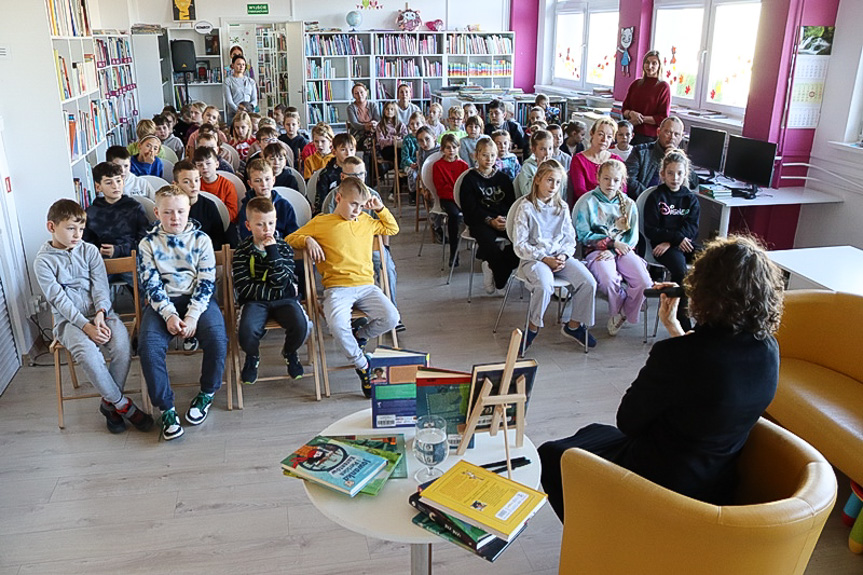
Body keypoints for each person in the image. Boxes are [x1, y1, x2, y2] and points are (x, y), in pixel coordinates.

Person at [538, 234, 785, 520]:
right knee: (592, 433)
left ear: (703, 289)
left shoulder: (677, 355)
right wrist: (675, 328)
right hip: (715, 482)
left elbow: (629, 422)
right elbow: (712, 377)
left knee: (553, 455)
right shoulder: (769, 350)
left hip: (660, 483)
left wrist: (675, 343)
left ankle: (599, 530)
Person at [35, 199, 153, 434]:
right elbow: (59, 300)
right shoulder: (43, 262)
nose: (77, 234)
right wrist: (85, 326)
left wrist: (100, 313)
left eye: (80, 228)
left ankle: (108, 406)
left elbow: (100, 287)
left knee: (121, 346)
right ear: (51, 227)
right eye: (70, 228)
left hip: (102, 314)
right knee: (88, 353)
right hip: (69, 322)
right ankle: (122, 404)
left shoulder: (89, 250)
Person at [286, 177, 400, 397]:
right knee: (337, 326)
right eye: (352, 204)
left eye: (360, 205)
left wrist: (381, 208)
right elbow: (291, 238)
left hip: (367, 286)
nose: (357, 210)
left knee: (392, 317)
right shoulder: (322, 221)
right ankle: (362, 365)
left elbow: (392, 229)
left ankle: (360, 334)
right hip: (338, 288)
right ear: (339, 198)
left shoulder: (367, 221)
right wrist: (308, 240)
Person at [137, 185, 229, 441]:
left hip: (197, 300)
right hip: (162, 303)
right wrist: (168, 314)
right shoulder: (147, 244)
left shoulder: (202, 240)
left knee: (218, 338)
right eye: (167, 212)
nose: (175, 218)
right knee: (148, 346)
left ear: (189, 210)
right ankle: (166, 408)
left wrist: (192, 316)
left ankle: (207, 393)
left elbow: (207, 282)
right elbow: (151, 283)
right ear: (157, 212)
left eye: (180, 211)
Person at [513, 160, 596, 352]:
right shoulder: (526, 207)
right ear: (537, 180)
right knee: (544, 285)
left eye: (558, 182)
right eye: (549, 180)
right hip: (534, 258)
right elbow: (520, 244)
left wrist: (564, 256)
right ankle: (532, 328)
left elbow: (570, 238)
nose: (553, 186)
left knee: (588, 282)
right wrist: (544, 258)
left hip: (559, 257)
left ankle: (574, 325)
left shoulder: (562, 207)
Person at [234, 196, 310, 384]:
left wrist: (272, 252)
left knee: (301, 325)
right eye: (260, 225)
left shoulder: (283, 248)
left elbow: (284, 281)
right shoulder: (242, 251)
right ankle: (252, 356)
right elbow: (244, 287)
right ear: (248, 225)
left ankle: (290, 352)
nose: (267, 230)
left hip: (284, 300)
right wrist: (274, 290)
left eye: (270, 223)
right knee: (246, 330)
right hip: (254, 302)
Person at [575, 159, 652, 336]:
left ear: (622, 181)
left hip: (622, 251)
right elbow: (584, 234)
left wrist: (613, 250)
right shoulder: (588, 202)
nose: (611, 184)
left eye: (616, 180)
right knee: (608, 279)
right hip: (596, 251)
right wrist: (609, 244)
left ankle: (625, 312)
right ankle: (616, 311)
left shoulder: (629, 204)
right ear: (598, 178)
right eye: (606, 179)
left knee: (644, 282)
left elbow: (632, 238)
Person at [643, 148, 701, 331]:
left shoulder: (690, 199)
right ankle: (682, 322)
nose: (675, 177)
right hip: (662, 247)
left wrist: (675, 240)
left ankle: (706, 320)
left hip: (681, 243)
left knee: (714, 262)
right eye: (670, 173)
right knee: (680, 271)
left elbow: (693, 227)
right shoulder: (656, 197)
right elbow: (651, 229)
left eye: (679, 173)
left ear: (685, 174)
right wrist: (674, 239)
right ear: (662, 174)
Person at [459, 137, 519, 294]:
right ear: (476, 155)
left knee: (520, 241)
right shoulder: (469, 180)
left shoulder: (503, 179)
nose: (489, 159)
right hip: (481, 221)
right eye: (485, 155)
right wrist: (490, 221)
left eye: (492, 155)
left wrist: (504, 219)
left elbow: (511, 204)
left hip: (502, 219)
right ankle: (501, 279)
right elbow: (469, 209)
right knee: (488, 244)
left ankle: (492, 266)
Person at [83, 162, 149, 285]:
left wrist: (118, 250)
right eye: (109, 182)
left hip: (131, 260)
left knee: (145, 284)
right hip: (102, 263)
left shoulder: (134, 208)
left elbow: (144, 241)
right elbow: (86, 243)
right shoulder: (91, 212)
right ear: (98, 187)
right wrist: (98, 251)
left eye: (118, 181)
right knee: (89, 286)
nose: (115, 186)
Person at [625, 116, 698, 198]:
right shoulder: (640, 151)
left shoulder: (681, 157)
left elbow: (694, 183)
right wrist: (653, 198)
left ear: (681, 137)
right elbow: (629, 180)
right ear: (658, 132)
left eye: (676, 134)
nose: (672, 137)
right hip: (644, 201)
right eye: (668, 132)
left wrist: (681, 158)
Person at [172, 159, 232, 250]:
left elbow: (218, 239)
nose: (193, 185)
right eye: (186, 182)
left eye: (196, 180)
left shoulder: (210, 206)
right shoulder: (170, 207)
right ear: (175, 184)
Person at [237, 159, 298, 241]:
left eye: (267, 179)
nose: (264, 184)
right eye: (258, 181)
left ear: (273, 180)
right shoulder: (247, 207)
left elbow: (293, 233)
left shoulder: (284, 205)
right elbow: (245, 235)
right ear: (250, 184)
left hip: (282, 247)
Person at [569, 116, 626, 204]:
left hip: (612, 206)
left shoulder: (617, 161)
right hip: (587, 207)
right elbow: (580, 191)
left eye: (609, 137)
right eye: (600, 134)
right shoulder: (578, 160)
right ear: (592, 133)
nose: (604, 140)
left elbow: (622, 190)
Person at [432, 133, 469, 267]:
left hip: (461, 198)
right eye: (448, 147)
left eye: (454, 147)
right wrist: (454, 195)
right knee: (453, 215)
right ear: (442, 149)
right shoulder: (438, 166)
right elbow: (440, 188)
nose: (451, 150)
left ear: (458, 148)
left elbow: (466, 186)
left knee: (476, 210)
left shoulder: (463, 165)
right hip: (447, 199)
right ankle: (454, 252)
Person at [621, 50, 671, 145]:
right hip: (628, 133)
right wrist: (631, 113)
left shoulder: (663, 87)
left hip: (649, 137)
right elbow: (624, 109)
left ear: (659, 66)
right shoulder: (635, 84)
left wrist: (640, 119)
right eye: (647, 62)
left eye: (654, 63)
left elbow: (663, 117)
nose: (649, 66)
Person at [194, 146, 239, 222]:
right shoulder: (195, 185)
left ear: (217, 164)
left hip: (224, 222)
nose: (204, 167)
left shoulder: (227, 185)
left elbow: (233, 213)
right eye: (200, 165)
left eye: (208, 163)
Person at [346, 83, 381, 176]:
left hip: (373, 133)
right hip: (358, 134)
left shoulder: (373, 105)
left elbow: (378, 120)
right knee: (368, 144)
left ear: (366, 93)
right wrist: (365, 126)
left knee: (374, 141)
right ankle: (369, 174)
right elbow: (355, 124)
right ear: (353, 95)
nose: (359, 95)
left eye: (361, 92)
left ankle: (371, 172)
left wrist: (374, 124)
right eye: (356, 93)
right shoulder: (350, 108)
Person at [515, 130, 556, 198]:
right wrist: (539, 172)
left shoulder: (555, 167)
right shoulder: (527, 167)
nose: (547, 153)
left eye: (550, 148)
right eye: (542, 149)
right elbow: (526, 192)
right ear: (534, 149)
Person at [225, 54, 257, 124]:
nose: (241, 66)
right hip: (234, 114)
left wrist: (248, 110)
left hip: (249, 114)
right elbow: (229, 101)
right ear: (233, 65)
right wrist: (239, 110)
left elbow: (254, 99)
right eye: (238, 64)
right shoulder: (228, 81)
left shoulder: (251, 81)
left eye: (243, 64)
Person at [400, 111, 424, 205]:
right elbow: (405, 156)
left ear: (423, 124)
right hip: (409, 164)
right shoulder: (407, 139)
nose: (415, 126)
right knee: (412, 173)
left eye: (417, 123)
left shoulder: (424, 138)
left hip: (421, 163)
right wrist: (411, 163)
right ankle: (412, 193)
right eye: (412, 124)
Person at [376, 101, 407, 166]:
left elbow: (405, 138)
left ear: (395, 111)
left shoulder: (401, 125)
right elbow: (381, 141)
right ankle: (397, 170)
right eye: (387, 109)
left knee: (404, 152)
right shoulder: (380, 125)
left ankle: (401, 171)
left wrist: (397, 141)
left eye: (392, 109)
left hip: (399, 147)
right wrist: (393, 141)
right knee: (396, 153)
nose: (389, 111)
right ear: (384, 111)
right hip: (387, 149)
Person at [279, 109, 310, 174]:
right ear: (284, 125)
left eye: (293, 124)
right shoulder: (280, 140)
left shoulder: (303, 141)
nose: (291, 127)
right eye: (288, 124)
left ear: (298, 125)